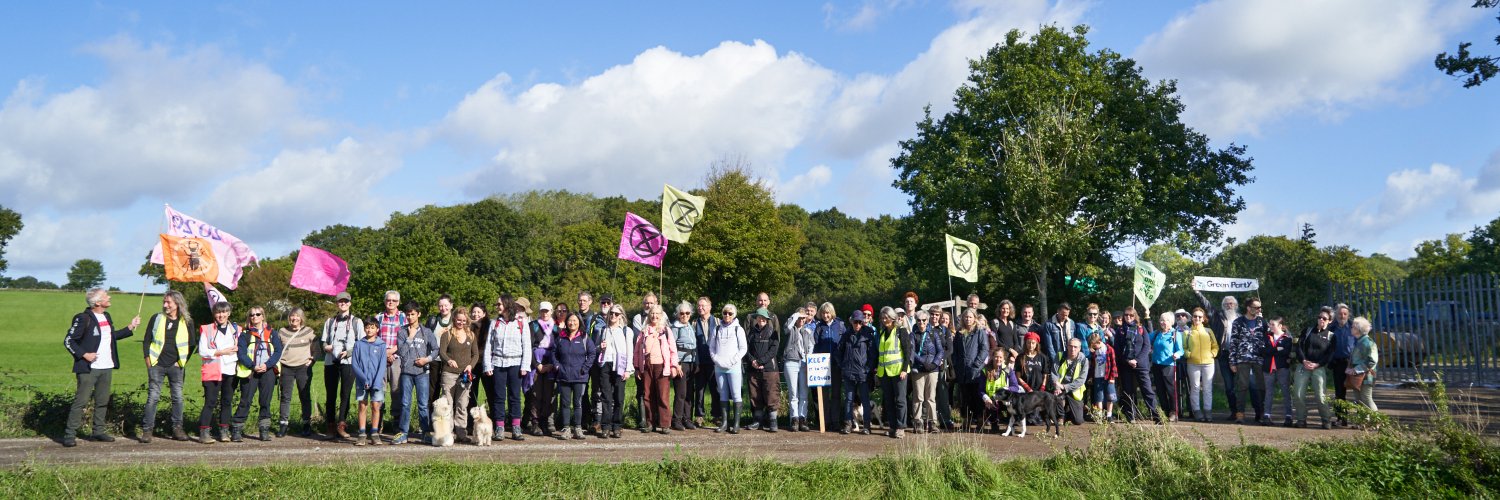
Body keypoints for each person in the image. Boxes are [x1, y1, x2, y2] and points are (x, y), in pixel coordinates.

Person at [62, 288, 140, 447]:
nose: (109, 297)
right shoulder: (83, 318)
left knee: (102, 401)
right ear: (98, 302)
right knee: (81, 401)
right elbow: (69, 341)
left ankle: (98, 431)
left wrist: (130, 327)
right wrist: (84, 355)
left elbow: (111, 337)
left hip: (107, 366)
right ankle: (69, 435)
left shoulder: (106, 316)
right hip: (89, 368)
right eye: (106, 296)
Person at [140, 290, 194, 443]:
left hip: (176, 367)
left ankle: (177, 429)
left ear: (177, 303)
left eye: (168, 302)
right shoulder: (156, 319)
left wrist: (182, 362)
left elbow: (191, 344)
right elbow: (146, 340)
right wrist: (148, 361)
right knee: (153, 398)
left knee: (177, 398)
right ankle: (147, 431)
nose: (165, 305)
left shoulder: (187, 321)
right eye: (164, 302)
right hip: (156, 364)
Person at [483, 300, 533, 441]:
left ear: (507, 305)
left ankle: (516, 427)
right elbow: (489, 346)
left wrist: (525, 366)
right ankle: (499, 427)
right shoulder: (495, 323)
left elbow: (527, 345)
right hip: (498, 363)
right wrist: (488, 365)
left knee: (515, 396)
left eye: (499, 304)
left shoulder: (521, 322)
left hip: (516, 363)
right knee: (499, 397)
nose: (497, 306)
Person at [234, 305, 283, 442]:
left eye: (257, 314)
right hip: (250, 372)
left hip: (268, 371)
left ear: (263, 316)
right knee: (245, 400)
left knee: (265, 401)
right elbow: (241, 353)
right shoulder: (245, 334)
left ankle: (264, 430)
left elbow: (278, 351)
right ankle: (237, 430)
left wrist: (267, 365)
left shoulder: (272, 333)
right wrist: (253, 366)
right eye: (251, 315)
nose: (254, 317)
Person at [393, 301, 438, 445]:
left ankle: (425, 432)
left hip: (422, 373)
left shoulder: (427, 332)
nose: (410, 317)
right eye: (408, 314)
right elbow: (401, 352)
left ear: (418, 314)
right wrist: (410, 337)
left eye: (413, 314)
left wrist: (427, 360)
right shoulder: (401, 332)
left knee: (423, 404)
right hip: (406, 372)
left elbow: (436, 349)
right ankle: (403, 433)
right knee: (405, 403)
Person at [548, 312, 596, 440]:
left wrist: (584, 369)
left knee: (577, 403)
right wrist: (557, 365)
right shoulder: (560, 338)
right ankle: (566, 428)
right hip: (563, 376)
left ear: (579, 322)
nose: (572, 323)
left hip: (579, 377)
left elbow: (592, 354)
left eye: (575, 320)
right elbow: (554, 353)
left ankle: (578, 428)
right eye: (570, 320)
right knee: (565, 403)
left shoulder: (584, 338)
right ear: (566, 322)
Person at [196, 301, 239, 444]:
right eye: (218, 312)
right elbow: (202, 351)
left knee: (227, 402)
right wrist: (221, 352)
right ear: (214, 314)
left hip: (230, 370)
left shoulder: (237, 330)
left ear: (228, 313)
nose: (220, 315)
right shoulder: (207, 329)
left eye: (223, 312)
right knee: (210, 402)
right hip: (213, 370)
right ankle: (204, 433)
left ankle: (224, 432)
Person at [321, 292, 362, 440]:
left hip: (348, 362)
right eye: (340, 302)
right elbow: (323, 341)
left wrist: (349, 352)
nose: (343, 304)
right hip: (330, 362)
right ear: (337, 304)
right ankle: (330, 425)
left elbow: (361, 342)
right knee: (330, 395)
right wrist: (326, 347)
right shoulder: (330, 322)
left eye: (345, 301)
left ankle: (342, 424)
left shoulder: (357, 322)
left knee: (345, 394)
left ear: (350, 303)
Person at [1196, 291, 1241, 421]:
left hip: (1240, 356)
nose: (1229, 305)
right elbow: (1206, 305)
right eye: (1226, 304)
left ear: (1235, 305)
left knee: (1244, 385)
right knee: (1229, 386)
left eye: (1231, 303)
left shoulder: (1241, 318)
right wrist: (1197, 292)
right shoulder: (1217, 317)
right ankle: (1235, 411)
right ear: (1223, 306)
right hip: (1224, 355)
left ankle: (1251, 412)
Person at [634, 305, 678, 434]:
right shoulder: (644, 331)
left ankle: (665, 424)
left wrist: (673, 366)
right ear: (649, 315)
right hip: (647, 366)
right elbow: (637, 351)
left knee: (662, 396)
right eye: (652, 313)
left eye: (657, 313)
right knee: (647, 395)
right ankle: (650, 423)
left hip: (661, 366)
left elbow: (672, 350)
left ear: (661, 315)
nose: (654, 316)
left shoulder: (666, 331)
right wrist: (637, 367)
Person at [1226, 298, 1270, 424]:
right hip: (1242, 358)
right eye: (1256, 307)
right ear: (1248, 308)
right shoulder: (1238, 322)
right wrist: (1232, 361)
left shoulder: (1262, 322)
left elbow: (1268, 339)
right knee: (1242, 387)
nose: (1259, 310)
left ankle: (1261, 413)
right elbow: (1233, 342)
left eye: (1260, 307)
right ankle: (1240, 414)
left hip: (1259, 358)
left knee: (1261, 386)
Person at [276, 307, 317, 438]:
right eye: (292, 316)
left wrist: (313, 358)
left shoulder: (308, 331)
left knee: (304, 396)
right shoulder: (282, 332)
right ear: (289, 318)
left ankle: (306, 424)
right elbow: (276, 348)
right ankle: (283, 424)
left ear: (301, 318)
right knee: (285, 397)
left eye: (297, 316)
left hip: (303, 367)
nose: (295, 318)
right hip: (286, 367)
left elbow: (316, 347)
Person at [596, 303, 635, 438]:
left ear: (621, 316)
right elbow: (597, 348)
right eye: (611, 313)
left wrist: (628, 370)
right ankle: (605, 426)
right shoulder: (603, 330)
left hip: (620, 366)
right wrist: (600, 347)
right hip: (605, 365)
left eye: (616, 314)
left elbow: (630, 351)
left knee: (619, 397)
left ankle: (617, 425)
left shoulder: (626, 331)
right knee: (606, 397)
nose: (613, 316)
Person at [439, 311, 479, 443]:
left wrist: (470, 366)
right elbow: (442, 352)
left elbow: (476, 355)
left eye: (463, 320)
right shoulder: (447, 334)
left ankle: (461, 433)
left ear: (467, 321)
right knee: (448, 405)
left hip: (465, 375)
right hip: (449, 373)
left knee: (462, 404)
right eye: (458, 320)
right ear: (454, 319)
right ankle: (448, 434)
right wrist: (449, 360)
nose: (461, 323)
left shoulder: (471, 335)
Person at [873, 307, 912, 438]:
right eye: (882, 318)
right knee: (888, 401)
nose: (884, 320)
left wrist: (904, 369)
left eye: (887, 318)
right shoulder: (883, 333)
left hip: (899, 371)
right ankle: (893, 426)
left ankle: (901, 427)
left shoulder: (901, 331)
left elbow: (907, 351)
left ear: (892, 318)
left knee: (900, 400)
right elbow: (881, 354)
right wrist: (878, 373)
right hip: (884, 372)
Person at [1295, 308, 1337, 429]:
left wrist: (1318, 364)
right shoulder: (1307, 331)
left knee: (1320, 395)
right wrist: (1303, 360)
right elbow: (1299, 347)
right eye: (1319, 317)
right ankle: (1301, 419)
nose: (1321, 320)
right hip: (1303, 365)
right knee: (1298, 393)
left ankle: (1326, 419)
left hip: (1318, 367)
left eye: (1324, 318)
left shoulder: (1331, 336)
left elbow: (1330, 354)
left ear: (1330, 321)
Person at [1113, 307, 1156, 423]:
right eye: (1126, 315)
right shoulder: (1120, 330)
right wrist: (1127, 360)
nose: (1128, 317)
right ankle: (1131, 415)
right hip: (1126, 364)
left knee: (1147, 389)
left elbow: (1147, 346)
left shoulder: (1141, 329)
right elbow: (1117, 349)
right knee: (1128, 390)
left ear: (1135, 316)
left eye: (1131, 315)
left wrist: (1137, 360)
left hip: (1141, 364)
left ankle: (1155, 414)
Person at [709, 304, 748, 434]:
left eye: (730, 313)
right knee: (723, 394)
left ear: (734, 315)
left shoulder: (739, 329)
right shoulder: (717, 328)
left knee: (736, 395)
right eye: (725, 313)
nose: (727, 315)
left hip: (734, 367)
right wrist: (716, 359)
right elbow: (712, 347)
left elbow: (743, 348)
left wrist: (733, 360)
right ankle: (725, 423)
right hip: (719, 367)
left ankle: (736, 424)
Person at [838, 310, 878, 435]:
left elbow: (873, 355)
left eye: (860, 322)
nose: (858, 324)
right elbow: (838, 352)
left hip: (863, 373)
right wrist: (843, 366)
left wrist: (867, 369)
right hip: (849, 372)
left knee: (865, 400)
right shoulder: (846, 334)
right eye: (856, 322)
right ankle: (848, 424)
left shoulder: (868, 335)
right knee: (849, 400)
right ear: (851, 321)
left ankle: (867, 426)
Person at [374, 291, 408, 435]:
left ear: (398, 302)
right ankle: (378, 421)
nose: (391, 303)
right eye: (388, 300)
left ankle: (396, 422)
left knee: (396, 390)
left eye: (394, 300)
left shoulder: (404, 318)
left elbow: (407, 338)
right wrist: (385, 352)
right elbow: (373, 337)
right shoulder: (378, 317)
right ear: (384, 301)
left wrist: (392, 351)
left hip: (397, 358)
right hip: (380, 358)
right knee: (379, 390)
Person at [952, 308, 990, 432]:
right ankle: (966, 421)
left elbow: (984, 349)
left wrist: (976, 364)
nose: (968, 319)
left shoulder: (980, 332)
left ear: (974, 318)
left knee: (976, 397)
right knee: (964, 397)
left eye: (970, 317)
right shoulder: (959, 333)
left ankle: (980, 420)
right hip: (962, 371)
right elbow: (955, 352)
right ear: (962, 318)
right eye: (966, 317)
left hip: (975, 370)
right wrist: (957, 365)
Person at [744, 308, 782, 432]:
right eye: (759, 317)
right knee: (755, 396)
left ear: (767, 320)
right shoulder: (751, 333)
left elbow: (773, 350)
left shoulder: (773, 332)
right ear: (756, 318)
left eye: (763, 318)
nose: (761, 320)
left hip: (770, 369)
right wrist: (753, 361)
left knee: (771, 395)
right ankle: (757, 421)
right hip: (753, 369)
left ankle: (773, 422)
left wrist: (760, 362)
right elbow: (746, 349)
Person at [522, 300, 557, 437]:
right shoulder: (533, 326)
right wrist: (537, 365)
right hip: (536, 363)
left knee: (548, 395)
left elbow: (558, 347)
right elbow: (528, 346)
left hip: (550, 363)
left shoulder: (556, 328)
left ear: (551, 311)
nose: (544, 313)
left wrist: (551, 365)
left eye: (547, 311)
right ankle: (535, 422)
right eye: (542, 311)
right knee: (535, 394)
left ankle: (544, 422)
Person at [353, 316, 388, 446]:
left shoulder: (382, 345)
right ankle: (361, 433)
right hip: (362, 381)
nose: (369, 330)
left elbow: (382, 365)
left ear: (377, 329)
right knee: (362, 406)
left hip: (377, 381)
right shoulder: (358, 344)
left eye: (372, 327)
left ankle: (374, 433)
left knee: (375, 406)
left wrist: (376, 381)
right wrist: (364, 379)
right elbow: (355, 364)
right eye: (367, 327)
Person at [811, 302, 846, 431]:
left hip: (836, 364)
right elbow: (815, 344)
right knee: (824, 395)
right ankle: (824, 421)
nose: (825, 315)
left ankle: (835, 421)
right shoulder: (819, 327)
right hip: (822, 365)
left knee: (836, 394)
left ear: (832, 313)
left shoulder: (840, 325)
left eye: (827, 313)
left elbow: (844, 344)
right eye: (823, 313)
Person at [908, 310, 944, 434]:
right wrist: (924, 362)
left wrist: (934, 363)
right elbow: (911, 351)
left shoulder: (934, 333)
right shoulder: (912, 335)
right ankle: (918, 422)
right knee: (918, 397)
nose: (921, 322)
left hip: (933, 370)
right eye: (919, 320)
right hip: (918, 369)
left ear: (928, 321)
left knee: (931, 397)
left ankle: (932, 423)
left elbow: (940, 350)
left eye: (924, 320)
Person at [782, 304, 815, 432]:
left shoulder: (808, 331)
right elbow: (786, 327)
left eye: (803, 318)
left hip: (804, 363)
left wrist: (810, 359)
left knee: (804, 393)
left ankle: (803, 418)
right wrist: (796, 315)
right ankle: (794, 419)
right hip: (791, 361)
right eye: (799, 318)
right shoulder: (791, 330)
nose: (801, 320)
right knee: (793, 393)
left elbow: (811, 346)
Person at [1184, 308, 1219, 422]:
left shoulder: (1209, 331)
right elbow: (1183, 347)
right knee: (1195, 388)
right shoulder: (1187, 332)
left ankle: (1208, 411)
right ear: (1192, 318)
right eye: (1195, 316)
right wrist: (1188, 354)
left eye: (1200, 316)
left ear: (1203, 319)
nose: (1197, 318)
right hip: (1193, 363)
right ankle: (1197, 411)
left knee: (1207, 388)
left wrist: (1212, 354)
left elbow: (1215, 345)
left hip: (1208, 363)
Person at [669, 302, 699, 431]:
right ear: (678, 314)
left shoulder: (690, 327)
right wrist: (676, 364)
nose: (685, 315)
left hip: (691, 362)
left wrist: (696, 362)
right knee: (680, 393)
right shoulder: (675, 328)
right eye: (682, 313)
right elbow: (672, 347)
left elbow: (694, 346)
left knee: (689, 393)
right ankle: (676, 420)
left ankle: (687, 419)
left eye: (687, 313)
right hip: (681, 363)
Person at [690, 296, 719, 429]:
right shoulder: (694, 323)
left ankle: (716, 416)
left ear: (709, 307)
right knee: (700, 390)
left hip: (714, 362)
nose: (700, 308)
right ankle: (699, 416)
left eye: (703, 305)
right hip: (700, 362)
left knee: (715, 389)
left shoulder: (718, 321)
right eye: (699, 306)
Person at [1149, 312, 1184, 422]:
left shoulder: (1175, 334)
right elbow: (1145, 339)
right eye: (1161, 320)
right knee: (1160, 390)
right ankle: (1164, 411)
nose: (1163, 322)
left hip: (1169, 365)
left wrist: (1177, 355)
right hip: (1156, 365)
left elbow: (1181, 350)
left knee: (1171, 390)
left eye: (1166, 320)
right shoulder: (1156, 334)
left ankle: (1174, 412)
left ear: (1171, 322)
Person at [1262, 317, 1295, 427]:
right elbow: (1262, 351)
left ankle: (1288, 416)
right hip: (1268, 368)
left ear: (1280, 326)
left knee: (1285, 392)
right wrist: (1277, 349)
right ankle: (1266, 415)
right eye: (1269, 324)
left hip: (1282, 368)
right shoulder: (1266, 337)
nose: (1270, 326)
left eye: (1273, 324)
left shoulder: (1287, 338)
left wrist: (1271, 351)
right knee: (1269, 392)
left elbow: (1286, 352)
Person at [424, 294, 455, 409]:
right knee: (433, 389)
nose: (443, 308)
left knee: (449, 389)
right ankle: (431, 418)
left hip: (450, 360)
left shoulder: (456, 320)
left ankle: (450, 418)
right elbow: (426, 338)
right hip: (435, 359)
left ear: (451, 305)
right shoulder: (432, 320)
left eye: (446, 305)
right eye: (441, 306)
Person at [467, 302, 494, 434]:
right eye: (474, 312)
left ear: (484, 314)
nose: (475, 314)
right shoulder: (467, 327)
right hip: (472, 365)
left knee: (491, 393)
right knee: (471, 394)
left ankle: (493, 421)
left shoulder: (490, 326)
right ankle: (471, 424)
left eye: (478, 312)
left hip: (486, 364)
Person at [1015, 331, 1053, 424]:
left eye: (1033, 343)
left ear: (1036, 344)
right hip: (1025, 388)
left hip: (1039, 388)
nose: (1031, 345)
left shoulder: (1042, 357)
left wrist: (1042, 388)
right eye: (1028, 342)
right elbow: (1018, 376)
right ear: (1025, 343)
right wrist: (1027, 388)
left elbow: (1045, 375)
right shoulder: (1020, 357)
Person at [1328, 304, 1355, 426]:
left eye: (1344, 314)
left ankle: (1363, 420)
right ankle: (1341, 418)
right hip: (1338, 363)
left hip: (1352, 363)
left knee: (1358, 391)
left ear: (1348, 315)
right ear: (1336, 315)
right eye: (1340, 313)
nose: (1342, 316)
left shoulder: (1354, 327)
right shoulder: (1331, 328)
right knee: (1339, 392)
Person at [932, 308, 957, 432]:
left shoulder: (945, 331)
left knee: (943, 393)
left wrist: (940, 358)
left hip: (941, 365)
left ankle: (945, 419)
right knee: (929, 394)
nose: (935, 317)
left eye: (937, 315)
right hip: (927, 366)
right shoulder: (926, 328)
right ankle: (930, 420)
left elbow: (950, 349)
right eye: (933, 314)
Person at [1054, 338, 1089, 425]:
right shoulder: (1060, 356)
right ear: (1067, 346)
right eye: (1070, 346)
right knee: (1058, 397)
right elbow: (1054, 373)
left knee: (1078, 421)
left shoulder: (1084, 360)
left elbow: (1081, 380)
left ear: (1079, 348)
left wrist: (1065, 387)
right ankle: (1061, 417)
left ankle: (1069, 412)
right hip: (1060, 388)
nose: (1072, 349)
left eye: (1075, 347)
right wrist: (1057, 386)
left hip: (1074, 390)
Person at [1348, 316, 1379, 412]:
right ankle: (1364, 422)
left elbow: (1372, 360)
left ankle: (1377, 422)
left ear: (1359, 329)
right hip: (1358, 375)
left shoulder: (1367, 342)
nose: (1351, 328)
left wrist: (1356, 369)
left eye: (1353, 327)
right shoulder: (1360, 341)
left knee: (1366, 398)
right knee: (1359, 399)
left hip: (1367, 375)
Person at [1087, 332, 1118, 422]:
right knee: (1098, 397)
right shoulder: (1094, 352)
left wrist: (1112, 377)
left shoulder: (1109, 349)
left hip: (1108, 377)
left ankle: (1109, 415)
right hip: (1097, 376)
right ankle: (1099, 416)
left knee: (1110, 396)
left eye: (1094, 345)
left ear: (1099, 341)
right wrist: (1091, 377)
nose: (1093, 347)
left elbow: (1113, 364)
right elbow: (1092, 366)